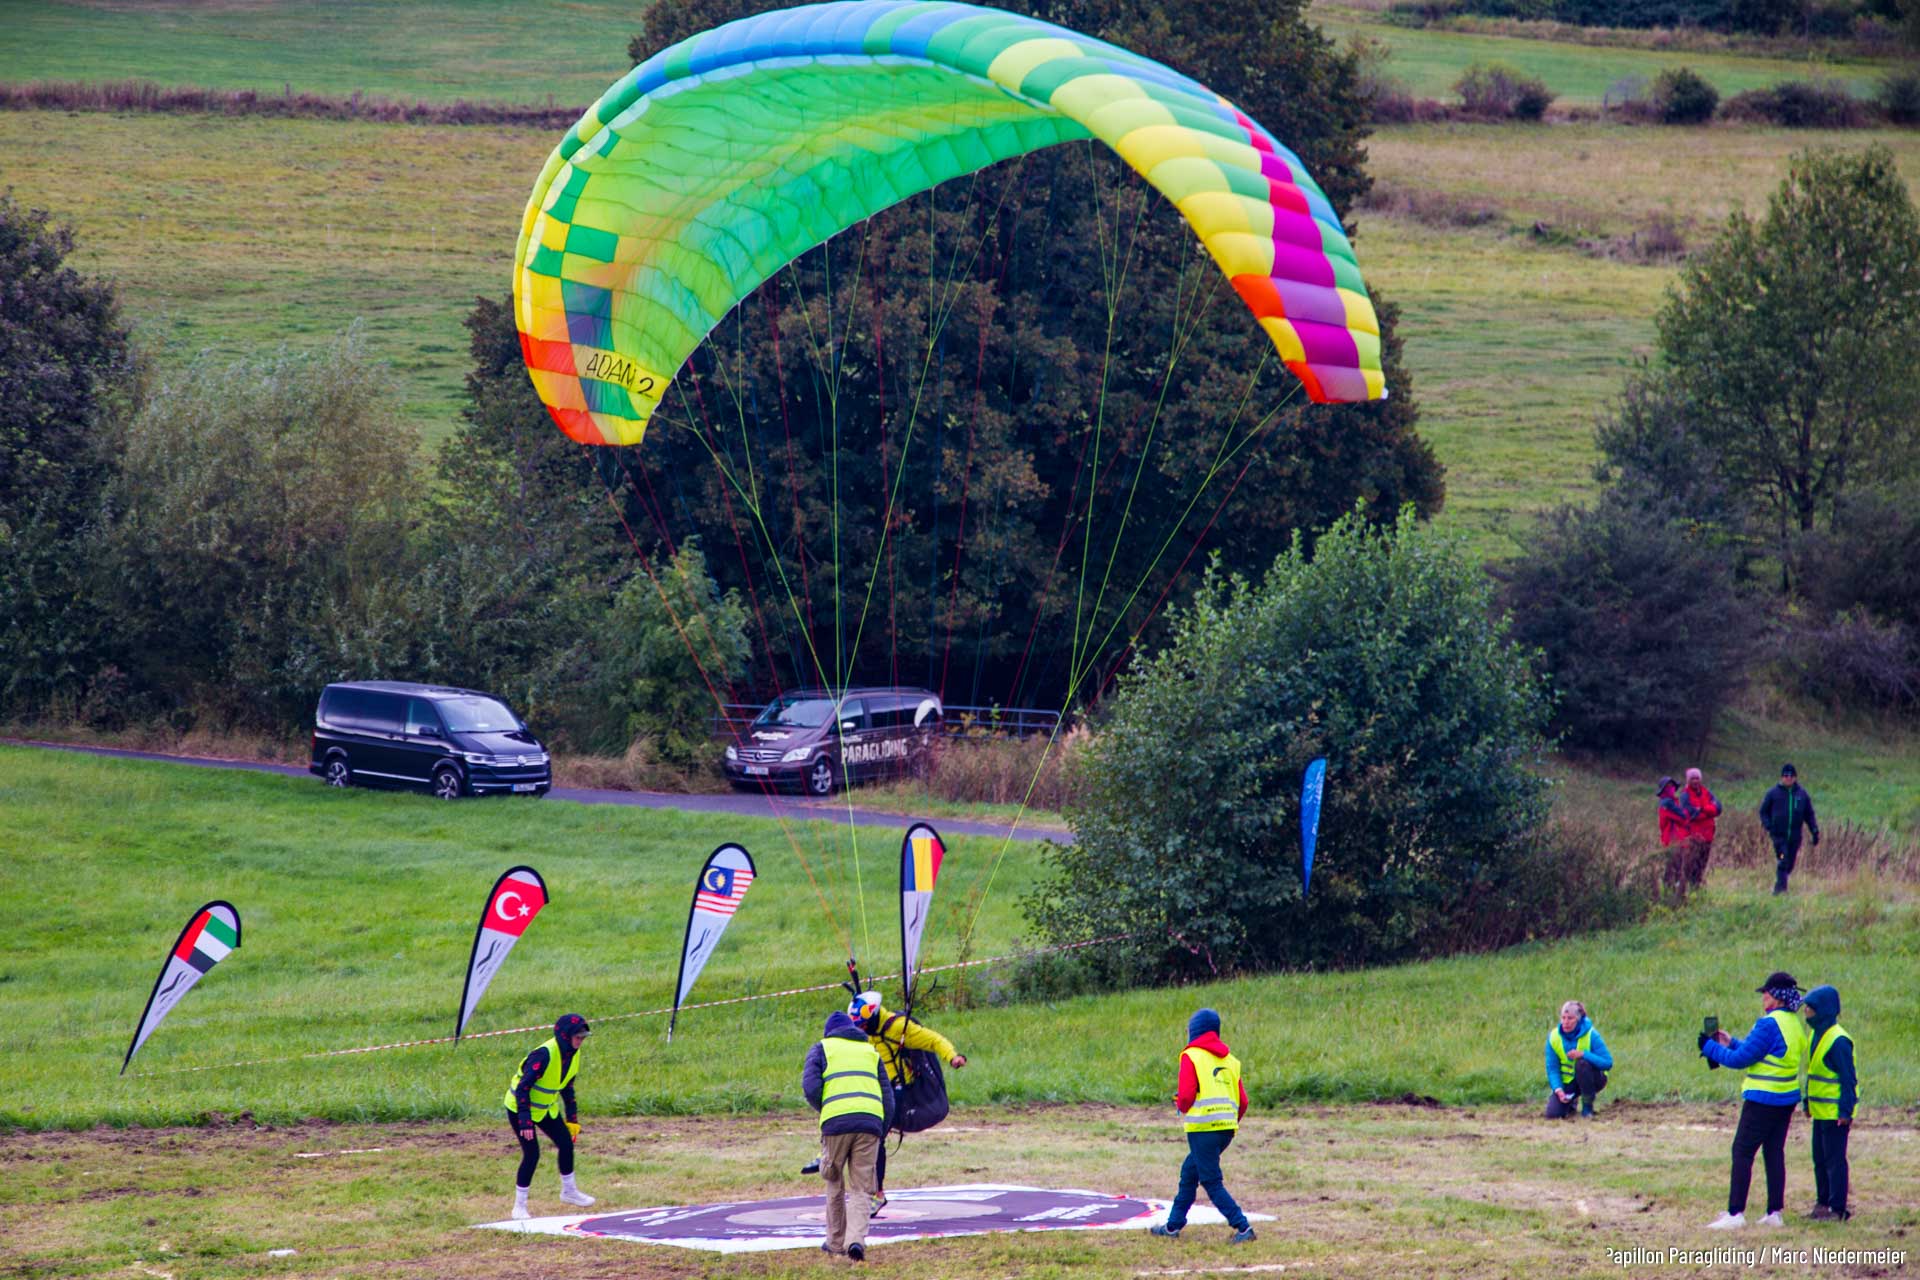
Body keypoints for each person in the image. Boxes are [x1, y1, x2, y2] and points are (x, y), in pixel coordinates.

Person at [1701, 973, 1810, 1229]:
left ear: (1778, 997)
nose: (1763, 998)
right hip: (1786, 1099)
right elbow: (1762, 1052)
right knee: (1774, 1152)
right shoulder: (1793, 1023)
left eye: (1767, 993)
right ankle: (1774, 1212)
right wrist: (1731, 1043)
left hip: (1763, 1099)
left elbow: (1740, 1060)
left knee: (1742, 1151)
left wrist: (1709, 1047)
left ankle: (1735, 1213)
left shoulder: (1768, 1024)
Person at [847, 990, 966, 1213]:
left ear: (873, 1018)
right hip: (875, 1091)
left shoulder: (899, 1028)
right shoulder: (863, 1034)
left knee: (874, 1139)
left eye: (863, 1025)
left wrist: (952, 1056)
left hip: (897, 1094)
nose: (860, 1030)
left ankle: (876, 1194)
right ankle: (871, 1191)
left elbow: (933, 1040)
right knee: (864, 1138)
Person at [1150, 1008, 1256, 1244]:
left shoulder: (1191, 1056)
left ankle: (1243, 1227)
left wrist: (1180, 1103)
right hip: (1225, 1131)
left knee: (1210, 1181)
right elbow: (1244, 1101)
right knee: (1190, 1173)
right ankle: (1173, 1226)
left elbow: (1186, 1096)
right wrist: (1229, 1123)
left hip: (1203, 1130)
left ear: (1194, 1030)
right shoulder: (1231, 1061)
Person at [802, 1005, 894, 1261]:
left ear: (829, 1033)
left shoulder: (821, 1048)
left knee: (834, 1180)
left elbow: (810, 1087)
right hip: (870, 1123)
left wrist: (828, 1108)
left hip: (836, 1124)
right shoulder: (871, 1052)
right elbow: (887, 1097)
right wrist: (881, 1128)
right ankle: (856, 1240)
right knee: (862, 1187)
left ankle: (835, 1242)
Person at [503, 1013, 595, 1221]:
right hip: (520, 1108)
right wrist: (525, 1121)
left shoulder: (573, 1054)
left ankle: (569, 1192)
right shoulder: (543, 1055)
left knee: (566, 1143)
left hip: (545, 1109)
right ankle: (519, 1207)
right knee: (532, 1154)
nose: (580, 1041)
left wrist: (572, 1119)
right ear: (565, 1036)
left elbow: (567, 1088)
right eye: (578, 1037)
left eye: (583, 1038)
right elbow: (523, 1088)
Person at [1802, 984, 1857, 1221]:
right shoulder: (1816, 1035)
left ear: (1823, 1010)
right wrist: (1807, 1102)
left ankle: (1837, 1208)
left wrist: (1845, 1111)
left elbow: (1848, 1079)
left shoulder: (1839, 1040)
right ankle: (1822, 1204)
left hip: (1835, 1114)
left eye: (1811, 1007)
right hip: (1820, 1111)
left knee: (1835, 1161)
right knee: (1820, 1160)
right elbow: (1813, 1072)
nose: (1806, 1011)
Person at [1544, 1000, 1614, 1118]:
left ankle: (1587, 1107)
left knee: (1582, 1064)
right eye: (1563, 1018)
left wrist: (1583, 1054)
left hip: (1594, 1078)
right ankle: (1571, 1103)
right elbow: (1552, 1068)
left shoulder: (1592, 1035)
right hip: (1568, 1081)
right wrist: (1558, 1089)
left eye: (1570, 1018)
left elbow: (1607, 1063)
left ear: (1579, 1020)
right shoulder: (1553, 1037)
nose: (1566, 1022)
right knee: (1552, 1114)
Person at [1758, 764, 1819, 895]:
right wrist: (1768, 826)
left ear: (1795, 778)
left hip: (1795, 837)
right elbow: (1763, 812)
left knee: (1790, 863)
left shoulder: (1802, 794)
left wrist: (1814, 831)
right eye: (1786, 776)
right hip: (1778, 836)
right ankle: (1780, 890)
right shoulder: (1773, 793)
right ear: (1782, 777)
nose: (1788, 778)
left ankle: (1781, 882)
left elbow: (1809, 814)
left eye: (1791, 776)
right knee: (1783, 859)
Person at [1657, 777, 1699, 895]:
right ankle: (1671, 892)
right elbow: (1683, 816)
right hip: (1672, 839)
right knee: (1674, 866)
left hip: (1676, 839)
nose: (1671, 788)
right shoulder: (1666, 803)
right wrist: (1690, 812)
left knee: (1676, 866)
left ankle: (1673, 891)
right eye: (1668, 786)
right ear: (1663, 789)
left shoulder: (1672, 802)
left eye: (1672, 786)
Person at [1682, 768, 1723, 889]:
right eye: (1692, 779)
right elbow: (1691, 814)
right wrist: (1709, 812)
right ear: (1688, 780)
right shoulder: (1685, 795)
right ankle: (1687, 888)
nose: (1695, 781)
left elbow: (1719, 809)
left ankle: (1697, 887)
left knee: (1702, 864)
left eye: (1697, 778)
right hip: (1693, 837)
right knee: (1691, 865)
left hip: (1708, 836)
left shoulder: (1707, 792)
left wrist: (1702, 809)